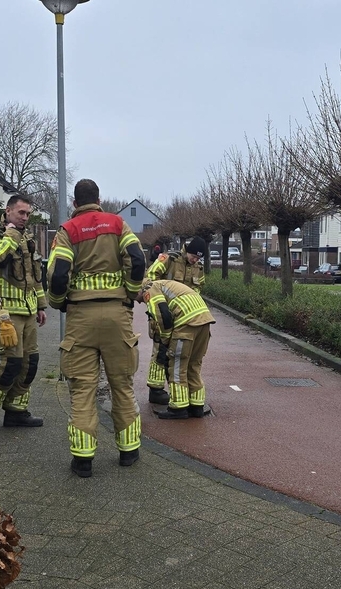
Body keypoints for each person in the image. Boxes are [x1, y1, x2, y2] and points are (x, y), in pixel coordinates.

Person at [47, 179, 146, 478]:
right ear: (99, 199)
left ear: (75, 203)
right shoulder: (118, 224)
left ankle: (83, 460)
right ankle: (129, 452)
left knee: (82, 389)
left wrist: (57, 302)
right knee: (122, 385)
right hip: (118, 317)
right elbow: (138, 260)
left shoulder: (67, 231)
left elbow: (58, 273)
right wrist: (129, 292)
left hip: (81, 319)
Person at [0, 195, 48, 432]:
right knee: (10, 364)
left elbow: (33, 276)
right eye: (21, 213)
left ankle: (16, 412)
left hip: (27, 312)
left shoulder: (27, 236)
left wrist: (40, 305)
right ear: (7, 211)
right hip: (4, 312)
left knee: (30, 363)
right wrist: (13, 233)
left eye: (27, 214)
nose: (25, 218)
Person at [136, 278, 215, 420]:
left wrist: (166, 341)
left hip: (186, 324)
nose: (140, 302)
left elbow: (162, 315)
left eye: (138, 298)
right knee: (193, 365)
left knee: (177, 368)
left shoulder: (150, 289)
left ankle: (178, 408)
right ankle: (196, 406)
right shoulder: (165, 285)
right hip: (204, 321)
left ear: (139, 289)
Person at [144, 236, 206, 405]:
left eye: (198, 258)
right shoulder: (169, 259)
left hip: (184, 317)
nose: (195, 260)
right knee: (160, 349)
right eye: (194, 256)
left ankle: (175, 389)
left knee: (179, 354)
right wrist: (158, 302)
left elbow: (198, 289)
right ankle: (155, 390)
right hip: (163, 311)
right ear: (187, 251)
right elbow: (149, 277)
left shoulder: (198, 267)